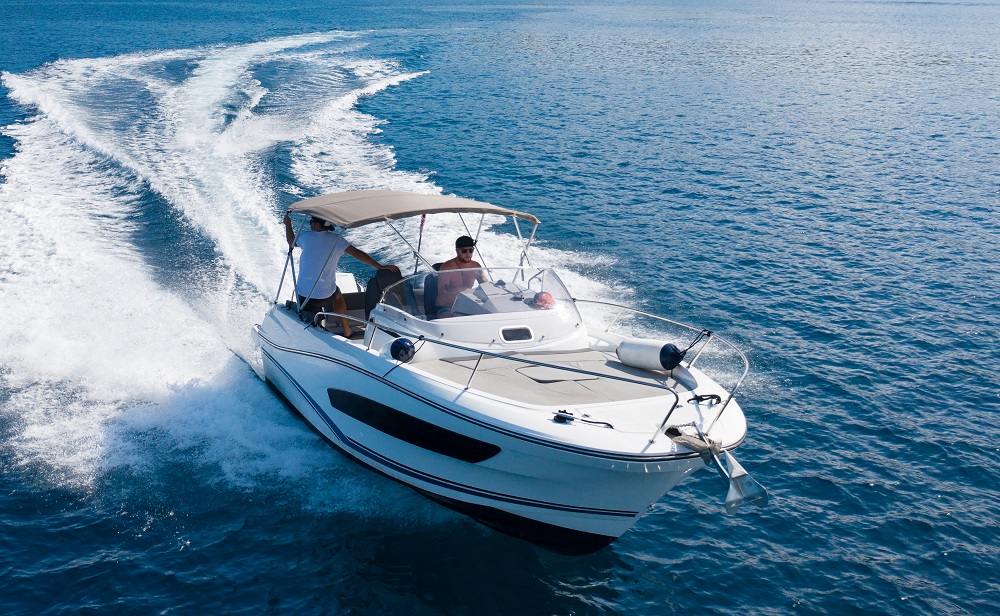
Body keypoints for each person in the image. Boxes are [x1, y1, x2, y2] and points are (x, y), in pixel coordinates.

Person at [284, 213, 398, 337]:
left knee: (310, 311)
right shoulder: (337, 240)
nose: (310, 224)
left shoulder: (305, 237)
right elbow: (357, 253)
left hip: (305, 296)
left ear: (317, 225)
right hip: (326, 295)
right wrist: (379, 266)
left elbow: (291, 241)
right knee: (338, 296)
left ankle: (314, 332)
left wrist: (288, 224)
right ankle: (346, 328)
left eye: (311, 221)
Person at [433, 235, 487, 318]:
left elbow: (485, 285)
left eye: (471, 250)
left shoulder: (476, 266)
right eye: (464, 251)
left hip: (466, 305)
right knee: (450, 318)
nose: (468, 254)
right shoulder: (447, 267)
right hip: (446, 307)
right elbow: (443, 292)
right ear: (457, 251)